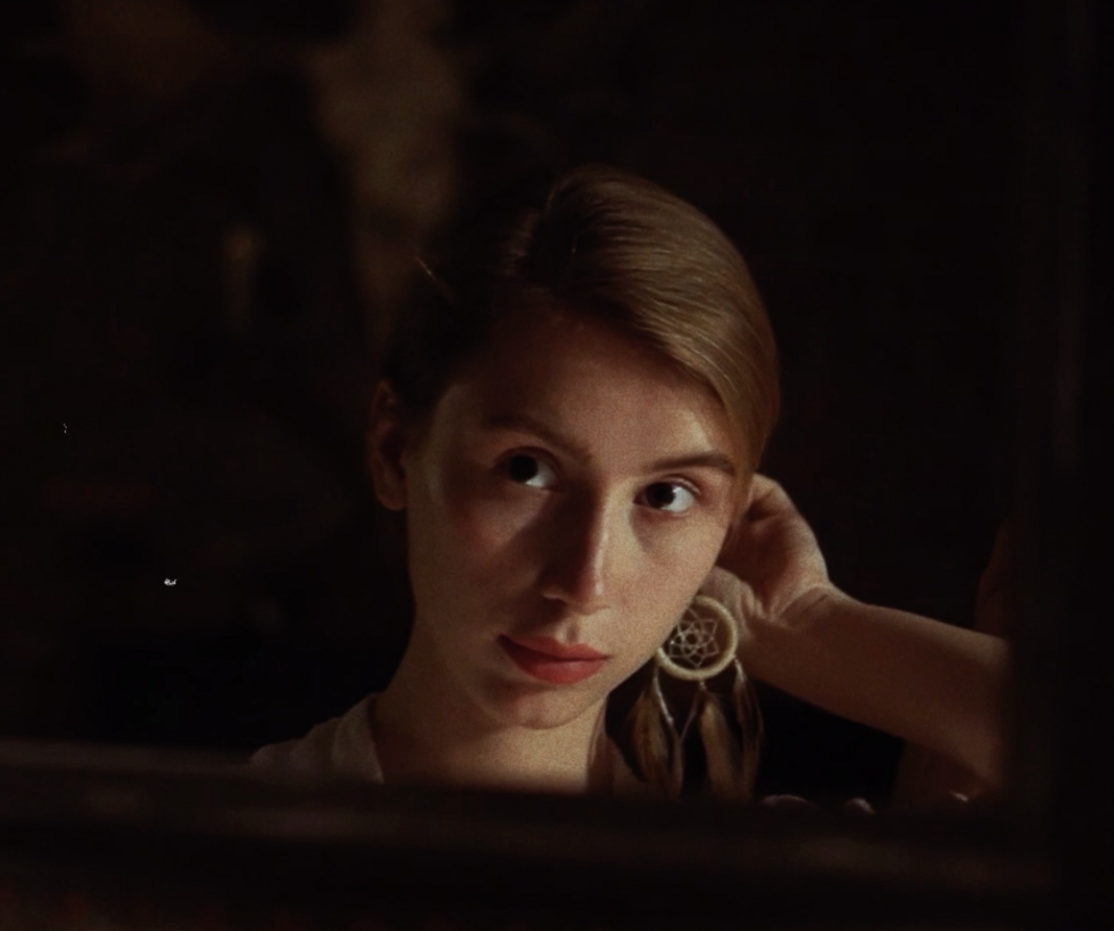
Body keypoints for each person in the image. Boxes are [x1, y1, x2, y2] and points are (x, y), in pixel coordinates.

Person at [247, 164, 1011, 805]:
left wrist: (801, 620)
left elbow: (1066, 756)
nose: (585, 582)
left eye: (666, 494)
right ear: (393, 450)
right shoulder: (220, 856)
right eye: (527, 469)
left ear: (728, 518)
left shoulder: (744, 888)